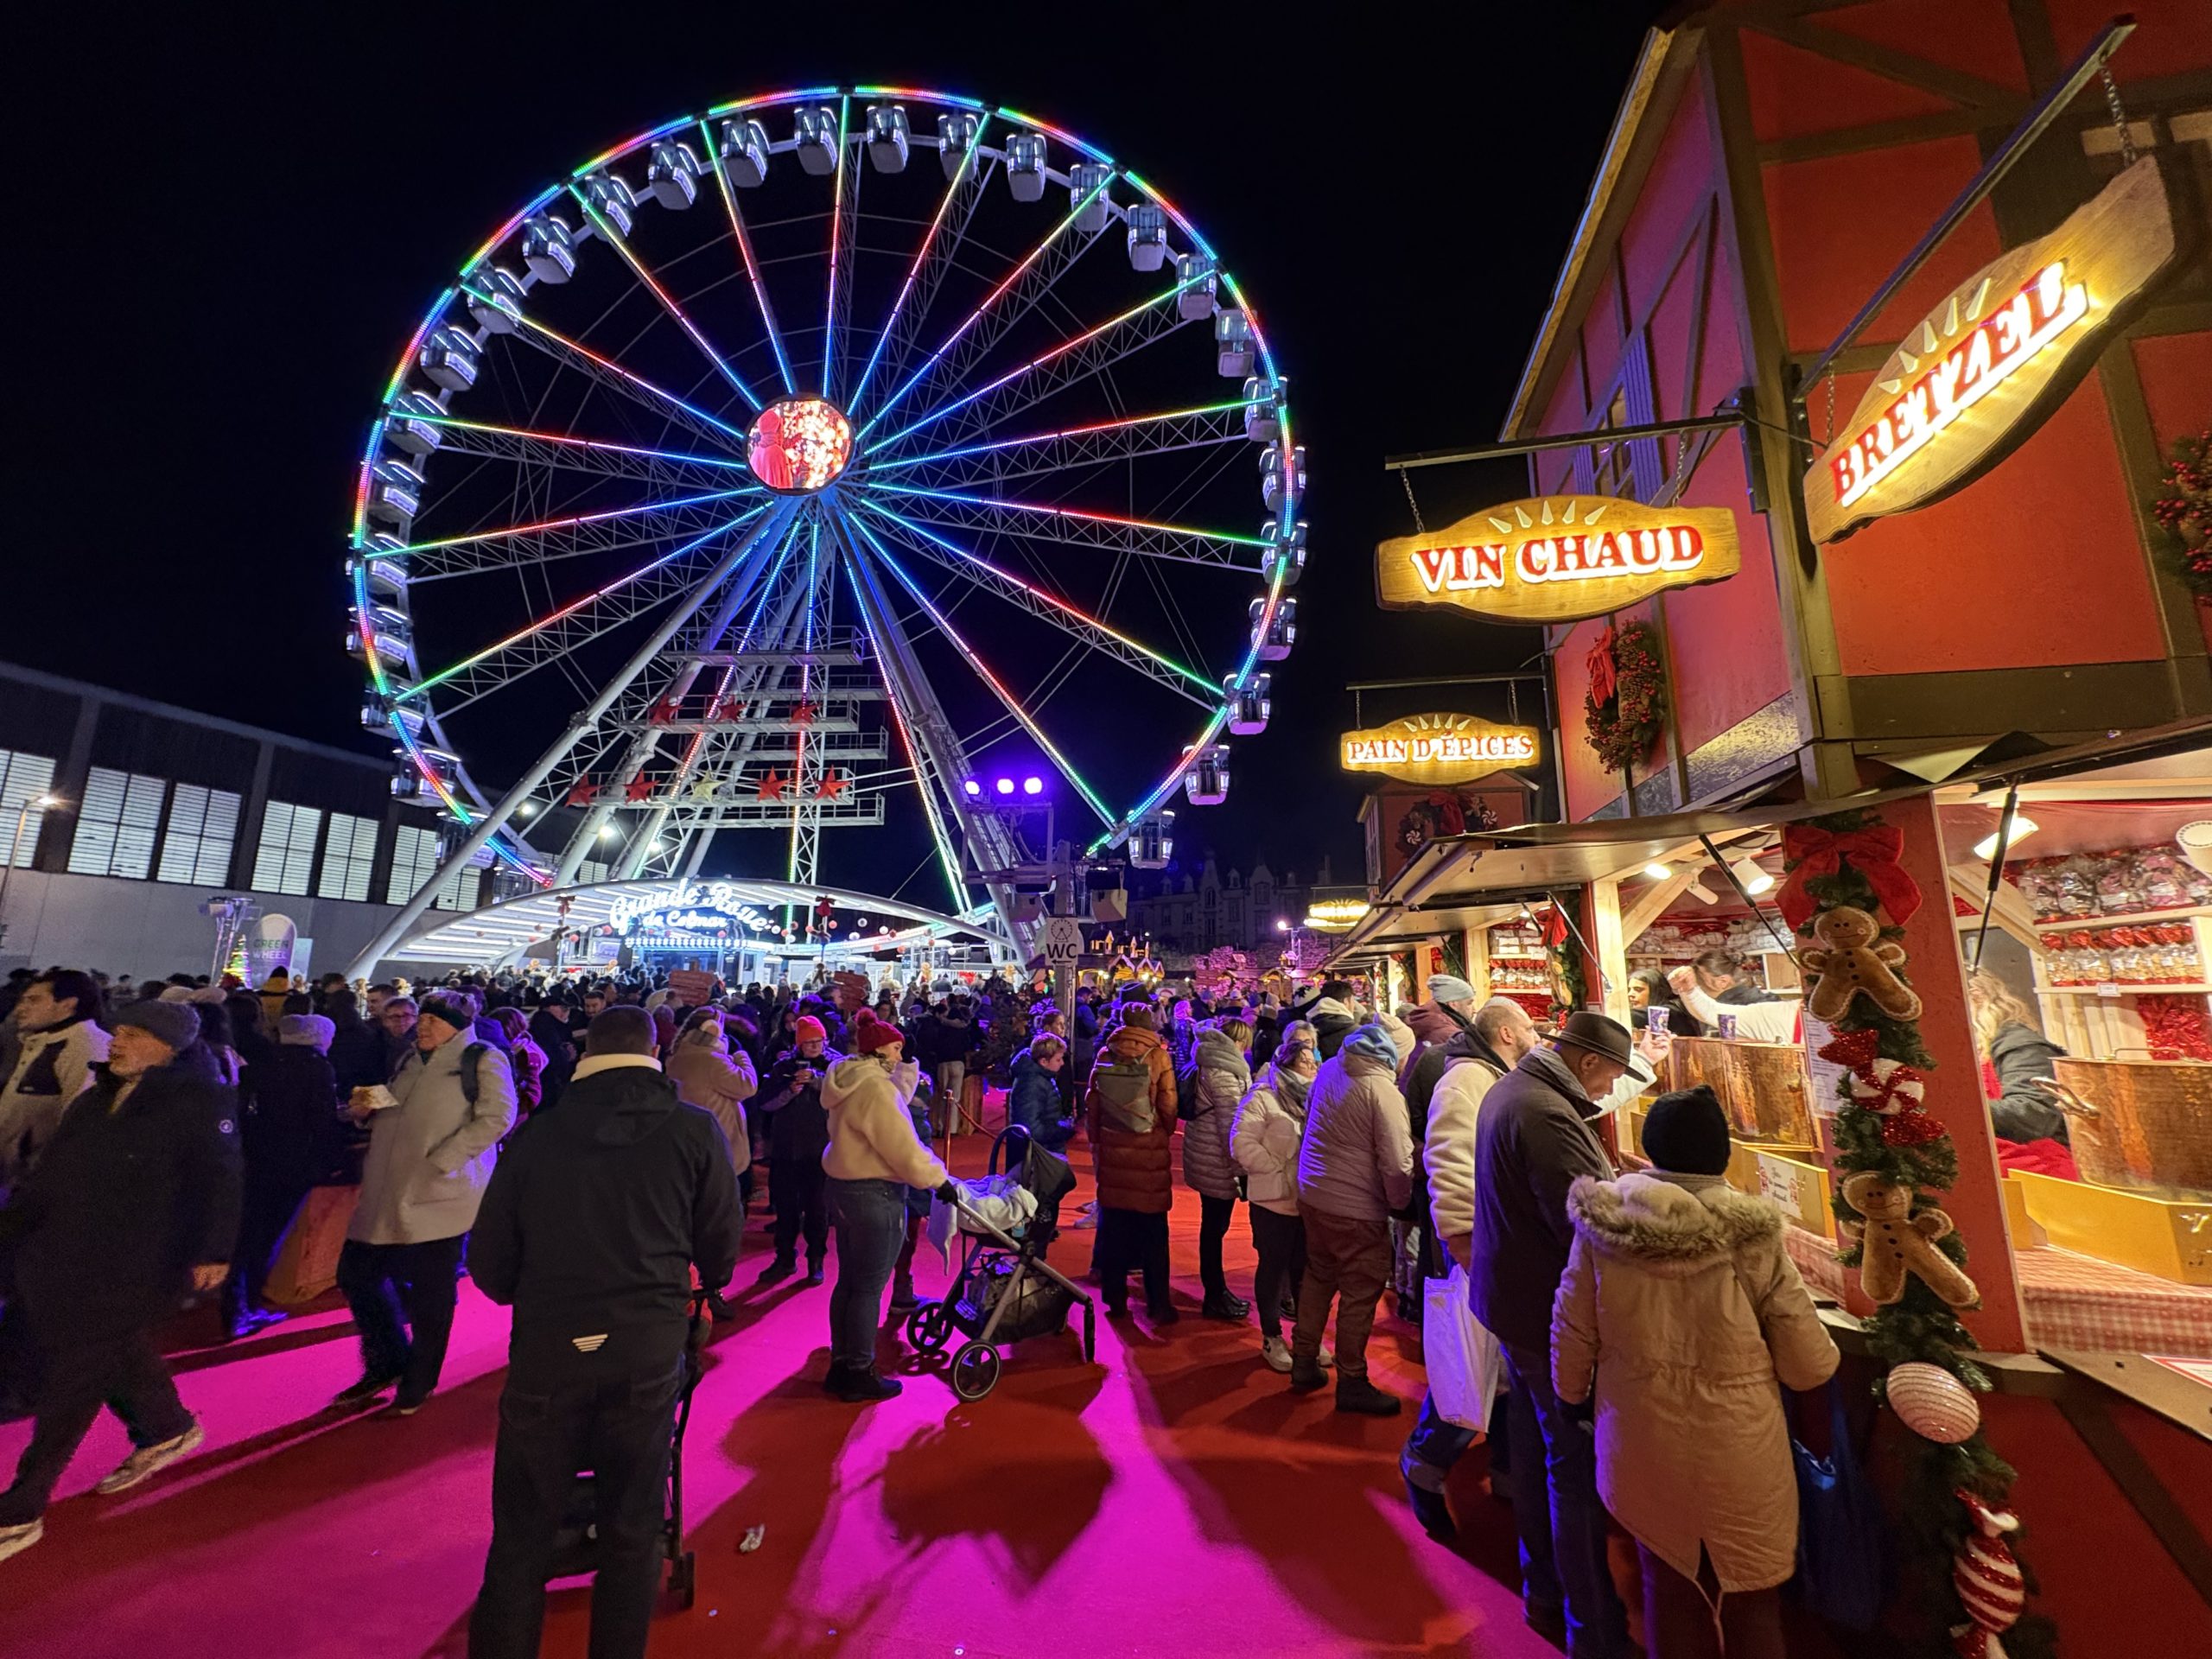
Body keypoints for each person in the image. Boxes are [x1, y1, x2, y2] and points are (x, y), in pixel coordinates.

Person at [466, 1005, 741, 1659]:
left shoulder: (541, 1136)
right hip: (644, 1344)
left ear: (589, 1055)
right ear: (656, 1050)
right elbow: (722, 1250)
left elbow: (490, 1263)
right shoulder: (694, 1131)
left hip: (553, 1345)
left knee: (523, 1529)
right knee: (633, 1521)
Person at [1553, 1085, 1840, 1659]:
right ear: (1722, 1154)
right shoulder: (1753, 1236)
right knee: (1752, 1600)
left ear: (1652, 1149)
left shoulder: (1604, 1227)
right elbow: (1809, 1363)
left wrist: (1572, 1399)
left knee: (1668, 1589)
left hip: (1638, 1438)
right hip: (1738, 1445)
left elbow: (1571, 1330)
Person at [0, 1001, 240, 1562]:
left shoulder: (199, 1100)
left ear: (170, 1048)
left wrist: (214, 1249)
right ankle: (167, 1428)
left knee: (76, 1376)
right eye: (120, 1031)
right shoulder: (94, 1100)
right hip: (65, 1257)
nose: (118, 1041)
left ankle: (24, 1505)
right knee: (113, 1352)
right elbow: (50, 1180)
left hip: (137, 1265)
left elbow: (223, 1177)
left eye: (135, 1035)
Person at [1471, 1010, 1640, 1656]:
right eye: (1611, 1077)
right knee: (1570, 1466)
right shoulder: (1543, 1109)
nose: (1608, 1091)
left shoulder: (1517, 1090)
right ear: (1589, 1063)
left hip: (1516, 1300)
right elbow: (1586, 1226)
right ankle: (1591, 1625)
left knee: (1542, 1451)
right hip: (1542, 1309)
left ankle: (1545, 1590)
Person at [334, 991, 516, 1415]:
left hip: (442, 1193)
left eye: (433, 1020)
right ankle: (388, 1359)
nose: (423, 1026)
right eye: (423, 1018)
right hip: (388, 1189)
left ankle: (420, 1377)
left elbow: (498, 1116)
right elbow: (395, 1099)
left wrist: (446, 1160)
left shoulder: (481, 1058)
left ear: (456, 1024)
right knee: (356, 1274)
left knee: (432, 1293)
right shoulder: (409, 1060)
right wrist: (361, 1109)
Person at [1402, 996, 1541, 1540]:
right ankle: (1424, 1465)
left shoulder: (1492, 1074)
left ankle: (1508, 1472)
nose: (1535, 1033)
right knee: (1473, 1369)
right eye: (1528, 1026)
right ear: (1505, 1032)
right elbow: (1452, 1169)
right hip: (1483, 1253)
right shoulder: (1465, 1082)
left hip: (1505, 1248)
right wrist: (1467, 1250)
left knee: (1509, 1373)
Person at [819, 1012, 950, 1402]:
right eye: (896, 1047)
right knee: (868, 1287)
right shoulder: (875, 1090)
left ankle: (843, 1363)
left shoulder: (849, 1079)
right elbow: (901, 1146)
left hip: (843, 1186)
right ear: (879, 1049)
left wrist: (903, 1072)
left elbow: (888, 1114)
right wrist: (938, 1179)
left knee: (849, 1282)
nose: (900, 1053)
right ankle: (859, 1369)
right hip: (875, 1193)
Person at [1287, 1021, 1415, 1414]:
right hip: (1356, 1206)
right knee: (1360, 1293)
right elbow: (1397, 1164)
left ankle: (1304, 1361)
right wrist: (1400, 1204)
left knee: (1319, 1277)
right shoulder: (1383, 1091)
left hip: (1315, 1192)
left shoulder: (1331, 1069)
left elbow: (1310, 1117)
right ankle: (1353, 1380)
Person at [223, 1013, 343, 1339]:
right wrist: (332, 1159)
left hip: (256, 1157)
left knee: (249, 1232)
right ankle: (244, 1307)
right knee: (266, 1237)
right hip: (293, 1163)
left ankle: (238, 1301)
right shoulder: (317, 1067)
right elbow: (322, 1122)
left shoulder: (263, 1061)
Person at [1230, 1032, 1332, 1372]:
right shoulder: (1263, 1096)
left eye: (1315, 1061)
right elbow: (1241, 1143)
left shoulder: (1317, 1096)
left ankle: (1307, 1336)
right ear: (1288, 1065)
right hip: (1273, 1200)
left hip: (1308, 1197)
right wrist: (1276, 1168)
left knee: (1306, 1270)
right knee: (1274, 1269)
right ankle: (1271, 1336)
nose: (1313, 1067)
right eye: (1306, 1062)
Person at [1085, 998, 1181, 1324]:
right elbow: (1168, 1104)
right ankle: (1158, 1303)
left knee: (1114, 1228)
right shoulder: (1158, 1056)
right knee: (1154, 1233)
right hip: (1148, 1148)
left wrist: (1098, 1138)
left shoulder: (1105, 1054)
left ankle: (1115, 1297)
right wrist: (1163, 1131)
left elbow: (1093, 1102)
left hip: (1114, 1147)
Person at [0, 970, 110, 1195]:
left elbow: (81, 1118)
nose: (21, 1008)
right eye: (22, 1000)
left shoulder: (84, 1046)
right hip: (16, 1173)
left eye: (34, 1000)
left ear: (68, 1005)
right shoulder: (46, 1040)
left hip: (36, 1179)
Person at [756, 1015, 837, 1286]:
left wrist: (817, 1081)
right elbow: (765, 1103)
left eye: (818, 1041)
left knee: (817, 1209)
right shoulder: (782, 1067)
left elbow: (843, 1097)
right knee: (785, 1207)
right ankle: (784, 1258)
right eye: (809, 1042)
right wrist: (790, 1089)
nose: (814, 1047)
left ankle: (816, 1260)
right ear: (799, 1043)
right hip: (786, 1149)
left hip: (820, 1149)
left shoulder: (835, 1066)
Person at [1182, 1016, 1254, 1321]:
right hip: (1215, 1159)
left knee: (1212, 1227)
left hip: (1205, 1153)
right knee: (1214, 1229)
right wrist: (1241, 1169)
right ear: (1238, 1043)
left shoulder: (1208, 1060)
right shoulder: (1224, 1071)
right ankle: (1215, 1294)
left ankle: (1216, 1291)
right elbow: (1231, 1125)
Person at [1966, 970, 2069, 1145]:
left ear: (1976, 998)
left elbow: (2035, 1115)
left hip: (2034, 1160)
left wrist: (1959, 1111)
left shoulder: (2019, 1044)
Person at [1667, 957, 1799, 1046]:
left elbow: (1711, 1012)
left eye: (1700, 984)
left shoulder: (1772, 1007)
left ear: (1723, 982)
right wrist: (1688, 989)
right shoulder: (1783, 1012)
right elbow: (1711, 1012)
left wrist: (1689, 989)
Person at [1006, 1033, 1073, 1153]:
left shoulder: (1042, 1077)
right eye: (1058, 1059)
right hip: (1038, 1154)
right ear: (1043, 1061)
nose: (1062, 1063)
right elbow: (1030, 1127)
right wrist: (1061, 1130)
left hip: (1043, 1151)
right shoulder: (1031, 1083)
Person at [527, 987, 579, 1109]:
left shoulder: (538, 1022)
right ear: (552, 1008)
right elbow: (553, 1052)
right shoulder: (546, 1024)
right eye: (563, 1008)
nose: (565, 1012)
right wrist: (566, 1055)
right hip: (548, 1081)